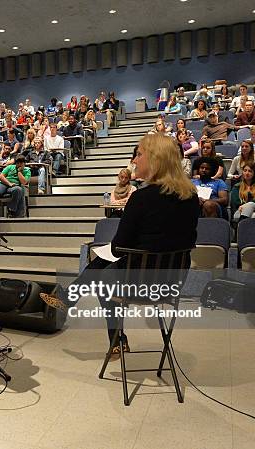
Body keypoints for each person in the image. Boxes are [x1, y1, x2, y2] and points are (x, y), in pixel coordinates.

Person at [40, 134, 199, 353]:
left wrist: (113, 250)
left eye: (139, 155)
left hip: (140, 284)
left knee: (102, 274)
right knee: (101, 268)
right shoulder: (190, 196)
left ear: (156, 160)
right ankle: (72, 303)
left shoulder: (141, 198)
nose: (134, 160)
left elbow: (118, 247)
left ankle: (114, 336)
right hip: (173, 281)